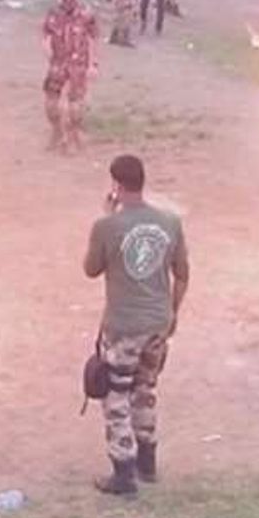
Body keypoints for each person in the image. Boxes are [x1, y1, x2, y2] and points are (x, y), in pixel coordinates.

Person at [84, 155, 188, 496]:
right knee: (145, 391)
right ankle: (147, 462)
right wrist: (172, 313)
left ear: (116, 185)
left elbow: (91, 269)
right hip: (158, 322)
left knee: (116, 396)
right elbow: (182, 274)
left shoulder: (107, 226)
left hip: (123, 326)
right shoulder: (170, 222)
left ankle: (124, 473)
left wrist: (107, 215)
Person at [42, 0, 98, 153]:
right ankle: (57, 132)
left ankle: (73, 136)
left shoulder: (85, 14)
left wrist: (92, 64)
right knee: (50, 103)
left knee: (75, 105)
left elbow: (92, 39)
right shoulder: (53, 13)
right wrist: (46, 47)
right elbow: (46, 33)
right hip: (58, 62)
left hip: (77, 64)